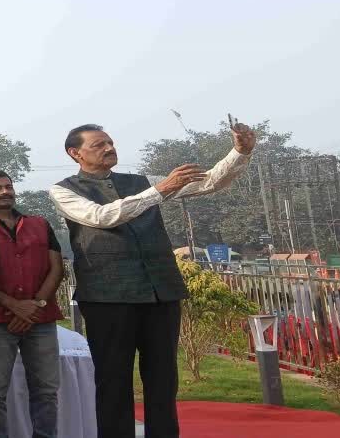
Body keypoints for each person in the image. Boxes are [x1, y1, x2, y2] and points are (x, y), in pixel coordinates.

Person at [50, 122, 256, 438]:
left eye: (110, 142)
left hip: (161, 291)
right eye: (98, 144)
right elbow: (103, 216)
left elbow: (209, 182)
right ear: (75, 153)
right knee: (113, 379)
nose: (109, 148)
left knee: (163, 378)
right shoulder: (63, 190)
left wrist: (240, 152)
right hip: (108, 296)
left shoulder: (140, 181)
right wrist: (160, 190)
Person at [0, 169, 64, 438]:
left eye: (9, 186)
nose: (6, 192)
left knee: (46, 390)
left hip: (41, 317)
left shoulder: (39, 223)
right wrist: (13, 304)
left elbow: (56, 268)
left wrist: (35, 305)